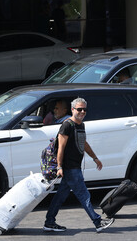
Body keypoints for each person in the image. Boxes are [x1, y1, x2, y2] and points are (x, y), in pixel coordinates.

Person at [43, 97, 115, 233]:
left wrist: (95, 158)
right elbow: (61, 148)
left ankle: (49, 222)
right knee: (84, 195)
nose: (82, 112)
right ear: (72, 110)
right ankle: (98, 222)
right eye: (79, 109)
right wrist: (59, 167)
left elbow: (84, 143)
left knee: (60, 196)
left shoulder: (81, 125)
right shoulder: (67, 125)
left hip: (74, 166)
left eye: (84, 109)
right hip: (70, 167)